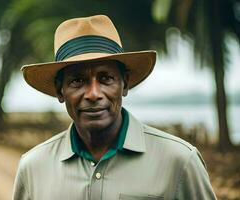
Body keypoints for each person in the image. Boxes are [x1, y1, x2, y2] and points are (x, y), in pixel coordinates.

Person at [13, 15, 216, 200]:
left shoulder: (179, 161)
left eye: (106, 78)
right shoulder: (33, 168)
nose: (93, 94)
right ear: (60, 91)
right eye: (77, 80)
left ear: (124, 84)